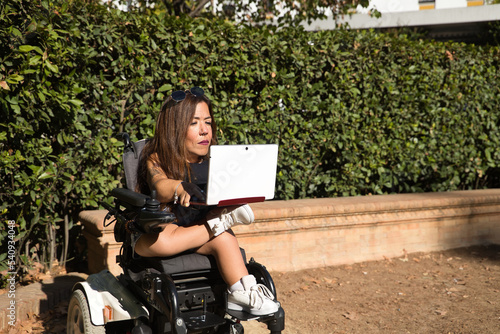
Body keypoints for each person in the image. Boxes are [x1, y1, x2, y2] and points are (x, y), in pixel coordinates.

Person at [135, 87, 279, 316]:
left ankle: (243, 291)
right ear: (174, 129)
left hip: (201, 232)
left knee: (225, 240)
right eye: (194, 123)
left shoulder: (217, 163)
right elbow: (159, 185)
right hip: (168, 230)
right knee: (158, 242)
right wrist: (178, 186)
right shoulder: (157, 158)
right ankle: (220, 223)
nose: (204, 131)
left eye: (208, 122)